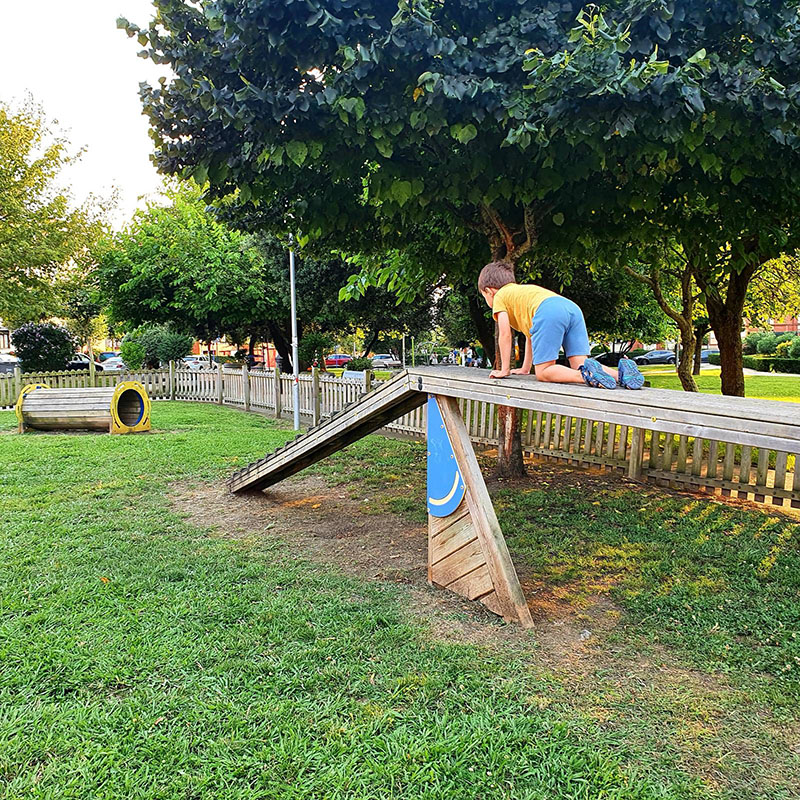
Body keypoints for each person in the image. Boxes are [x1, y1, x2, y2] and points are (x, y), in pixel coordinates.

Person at [477, 261, 644, 389]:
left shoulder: (500, 296)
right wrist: (525, 368)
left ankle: (587, 376)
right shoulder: (522, 295)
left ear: (489, 291)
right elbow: (530, 337)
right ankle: (622, 375)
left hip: (548, 311)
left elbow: (505, 334)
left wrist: (504, 369)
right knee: (580, 363)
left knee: (544, 372)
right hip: (571, 308)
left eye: (484, 297)